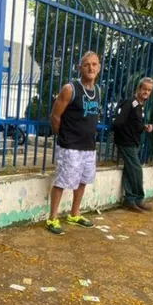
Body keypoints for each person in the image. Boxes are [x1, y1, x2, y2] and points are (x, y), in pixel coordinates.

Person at [45, 51, 101, 235]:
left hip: (89, 146)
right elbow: (55, 116)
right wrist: (64, 137)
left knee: (83, 181)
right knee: (62, 181)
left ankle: (74, 214)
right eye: (87, 65)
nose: (91, 68)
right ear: (80, 68)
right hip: (70, 146)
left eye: (94, 64)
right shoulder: (70, 88)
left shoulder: (98, 90)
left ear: (99, 67)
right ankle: (52, 218)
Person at [113, 77, 153, 212]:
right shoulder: (131, 103)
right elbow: (119, 122)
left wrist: (144, 127)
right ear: (138, 89)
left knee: (129, 170)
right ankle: (139, 198)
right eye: (144, 89)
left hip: (133, 142)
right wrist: (122, 136)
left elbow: (134, 123)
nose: (146, 92)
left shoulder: (139, 105)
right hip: (127, 142)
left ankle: (130, 199)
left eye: (149, 90)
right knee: (136, 169)